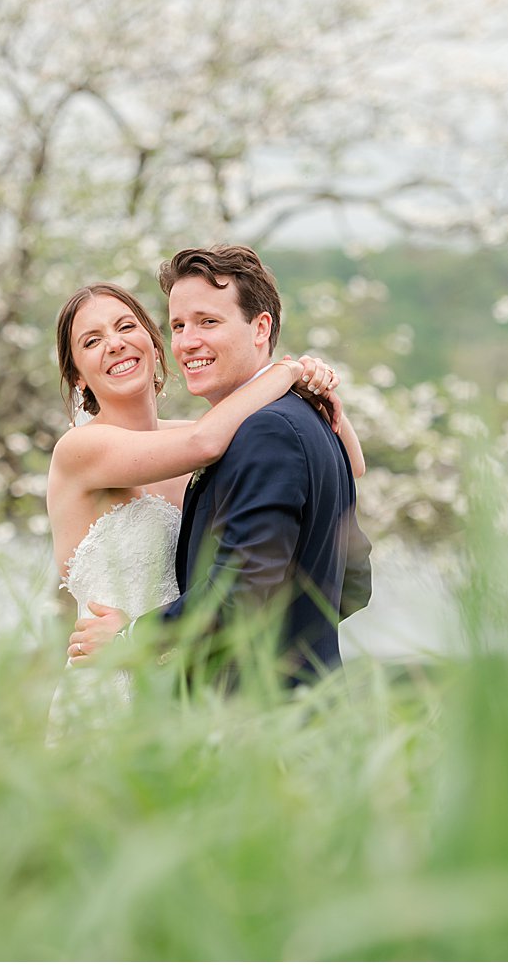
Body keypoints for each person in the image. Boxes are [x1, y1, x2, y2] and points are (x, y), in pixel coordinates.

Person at [45, 281, 361, 741]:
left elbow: (352, 465)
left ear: (154, 345)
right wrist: (285, 372)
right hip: (112, 675)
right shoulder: (82, 449)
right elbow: (206, 442)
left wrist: (326, 402)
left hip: (187, 688)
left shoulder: (186, 436)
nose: (113, 344)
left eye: (125, 326)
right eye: (91, 341)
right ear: (77, 375)